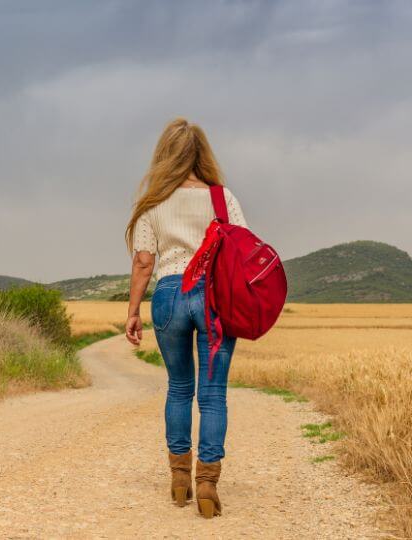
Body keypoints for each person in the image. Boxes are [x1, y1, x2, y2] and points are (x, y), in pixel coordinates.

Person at [124, 117, 247, 519]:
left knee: (179, 387)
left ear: (164, 156)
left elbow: (144, 263)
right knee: (213, 395)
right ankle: (207, 484)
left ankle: (179, 480)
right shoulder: (221, 198)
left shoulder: (154, 203)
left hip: (169, 295)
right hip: (213, 298)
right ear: (203, 154)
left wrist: (133, 312)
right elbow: (242, 251)